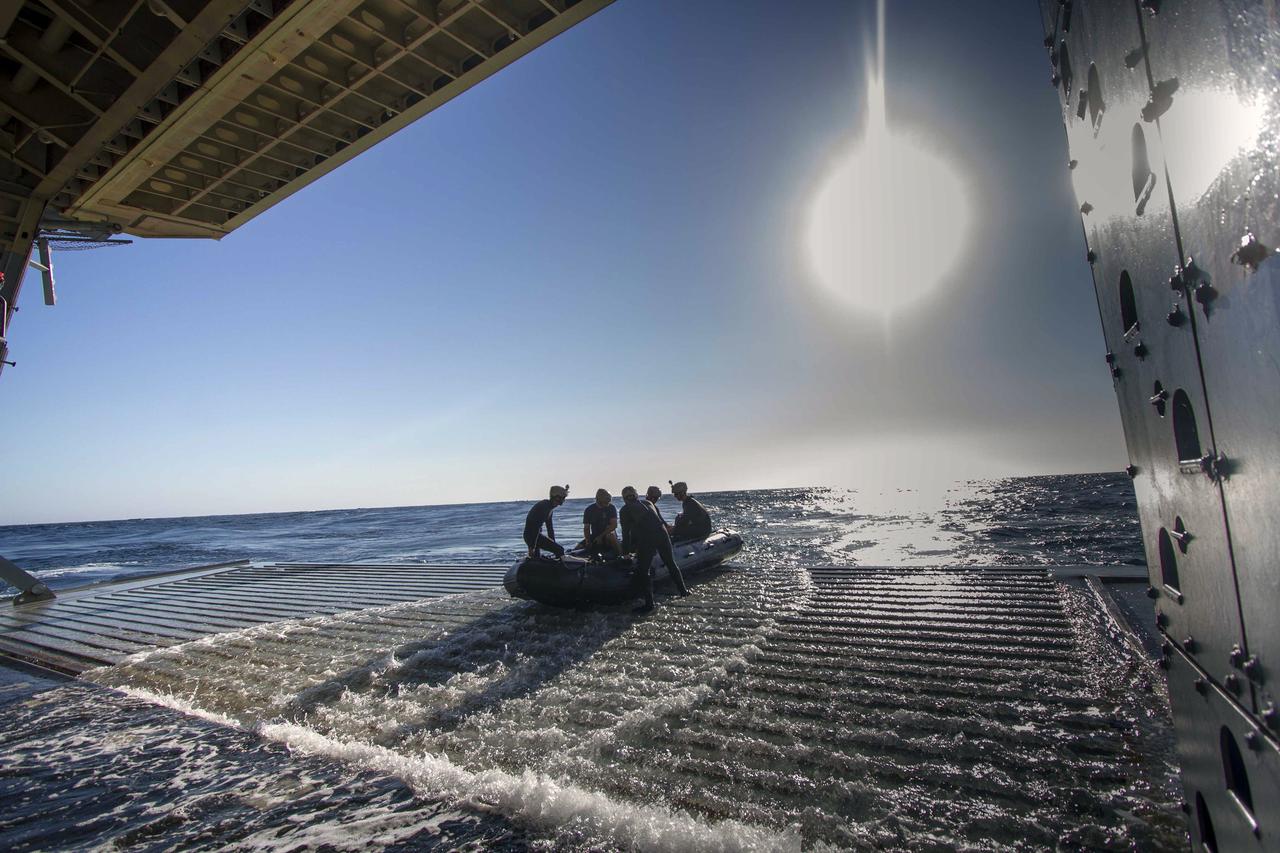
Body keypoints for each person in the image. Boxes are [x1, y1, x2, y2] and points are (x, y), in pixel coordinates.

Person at [620, 485, 689, 612]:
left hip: (648, 537)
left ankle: (649, 604)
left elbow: (626, 534)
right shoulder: (648, 503)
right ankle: (684, 592)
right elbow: (655, 520)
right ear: (636, 495)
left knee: (643, 570)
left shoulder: (625, 510)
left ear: (624, 498)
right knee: (670, 563)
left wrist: (625, 554)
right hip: (662, 533)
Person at [524, 484, 568, 559]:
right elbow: (535, 527)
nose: (564, 500)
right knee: (560, 550)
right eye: (563, 498)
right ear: (557, 497)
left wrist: (554, 544)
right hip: (532, 536)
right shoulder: (544, 507)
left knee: (539, 557)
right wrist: (532, 547)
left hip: (536, 536)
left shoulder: (550, 508)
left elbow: (550, 528)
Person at [581, 488, 621, 560]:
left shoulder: (611, 508)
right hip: (595, 535)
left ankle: (620, 555)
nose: (607, 504)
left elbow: (614, 525)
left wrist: (601, 536)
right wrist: (588, 541)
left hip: (608, 534)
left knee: (610, 535)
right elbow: (586, 528)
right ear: (598, 500)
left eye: (608, 501)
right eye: (605, 502)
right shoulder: (589, 510)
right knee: (579, 547)